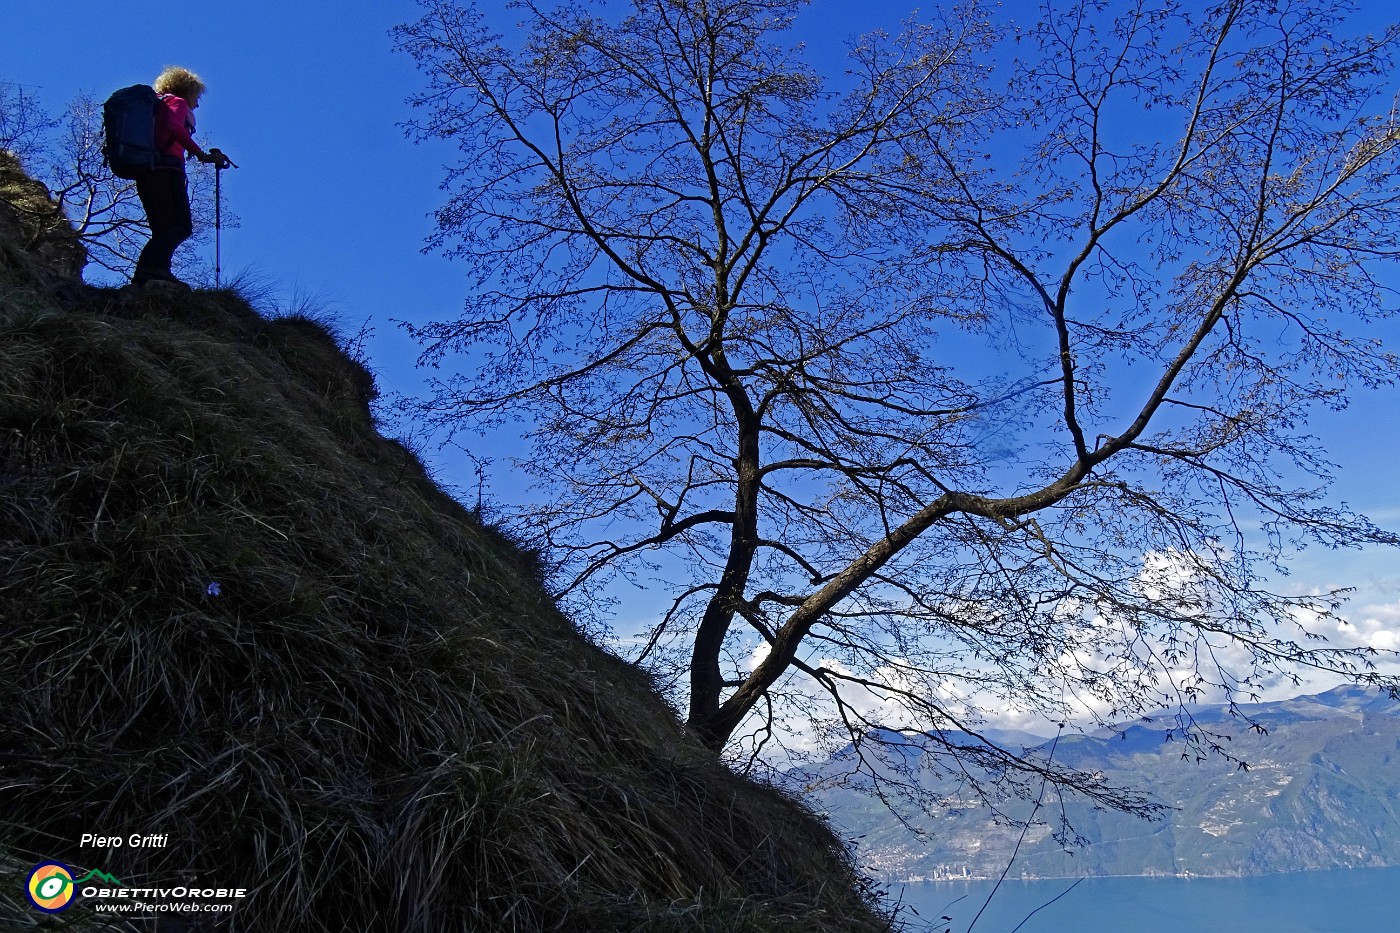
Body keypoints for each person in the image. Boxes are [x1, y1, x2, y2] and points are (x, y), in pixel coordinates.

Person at [131, 66, 231, 289]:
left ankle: (152, 274)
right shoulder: (177, 102)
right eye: (197, 97)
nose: (197, 103)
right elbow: (174, 127)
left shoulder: (156, 105)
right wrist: (202, 155)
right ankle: (152, 271)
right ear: (188, 90)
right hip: (167, 170)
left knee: (163, 227)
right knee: (180, 225)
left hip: (147, 170)